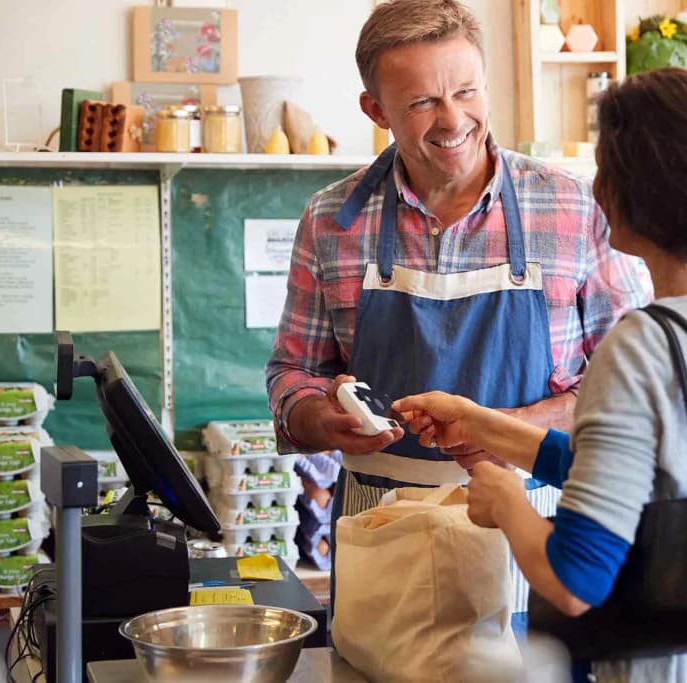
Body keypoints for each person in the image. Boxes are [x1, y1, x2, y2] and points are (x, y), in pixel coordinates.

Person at [393, 68, 687, 683]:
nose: (595, 186)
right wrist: (482, 424)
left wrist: (503, 499)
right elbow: (655, 484)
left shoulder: (642, 342)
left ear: (633, 190)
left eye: (605, 166)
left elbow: (574, 579)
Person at [265, 0, 650, 620]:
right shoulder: (331, 221)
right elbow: (292, 369)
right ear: (376, 110)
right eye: (422, 103)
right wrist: (315, 417)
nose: (453, 120)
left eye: (466, 91)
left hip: (535, 528)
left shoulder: (574, 209)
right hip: (380, 531)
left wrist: (506, 430)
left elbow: (629, 388)